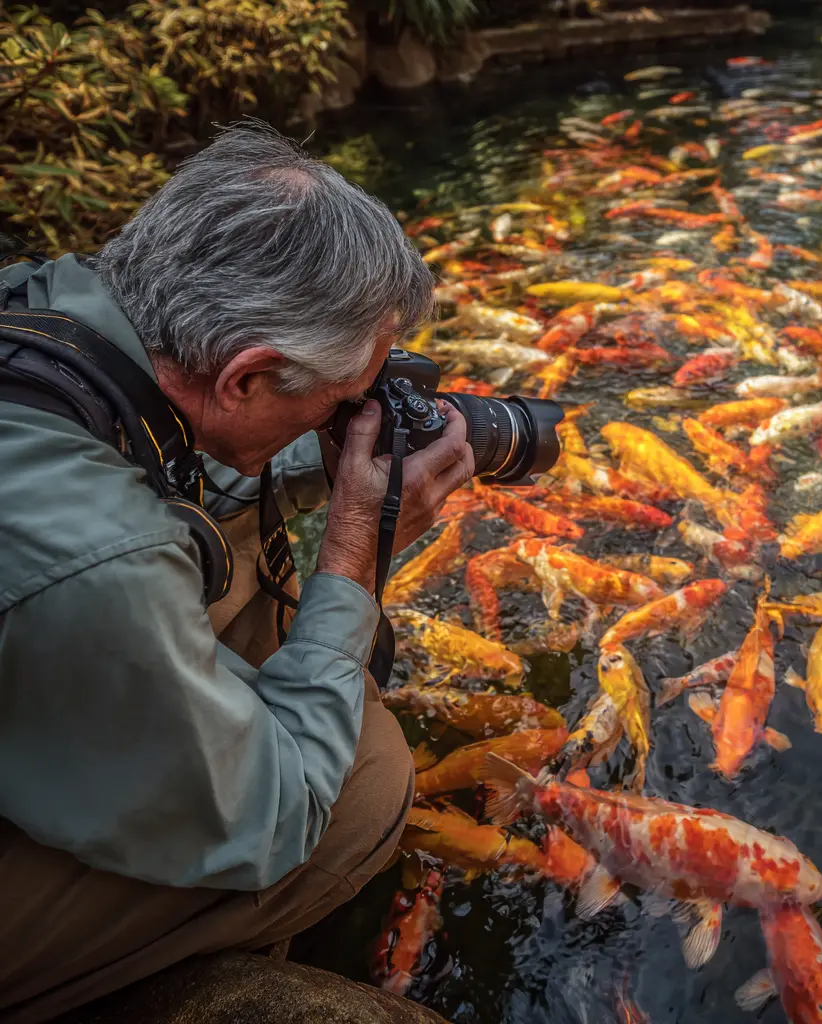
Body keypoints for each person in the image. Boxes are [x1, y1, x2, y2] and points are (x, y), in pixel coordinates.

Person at [0, 124, 475, 1023]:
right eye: (341, 402)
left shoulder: (42, 304)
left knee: (245, 575)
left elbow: (167, 459)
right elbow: (275, 818)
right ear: (247, 375)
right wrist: (354, 552)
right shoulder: (102, 562)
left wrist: (314, 468)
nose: (353, 414)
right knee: (362, 787)